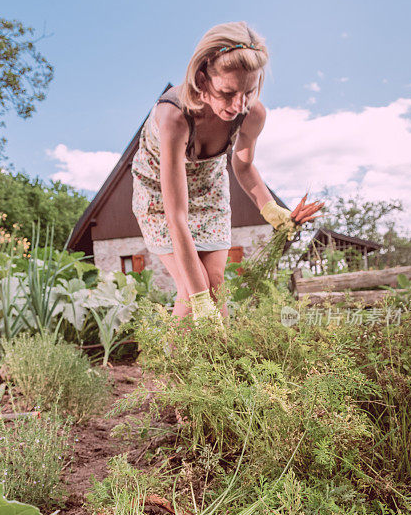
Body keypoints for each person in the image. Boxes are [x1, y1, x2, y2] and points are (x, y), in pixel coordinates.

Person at [131, 21, 322, 325]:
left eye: (249, 91)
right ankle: (174, 369)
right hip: (159, 196)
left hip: (209, 188)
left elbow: (243, 166)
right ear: (202, 80)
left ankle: (219, 365)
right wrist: (198, 300)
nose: (238, 105)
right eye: (227, 92)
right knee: (193, 292)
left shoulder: (252, 114)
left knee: (216, 285)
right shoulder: (174, 116)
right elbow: (176, 215)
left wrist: (270, 209)